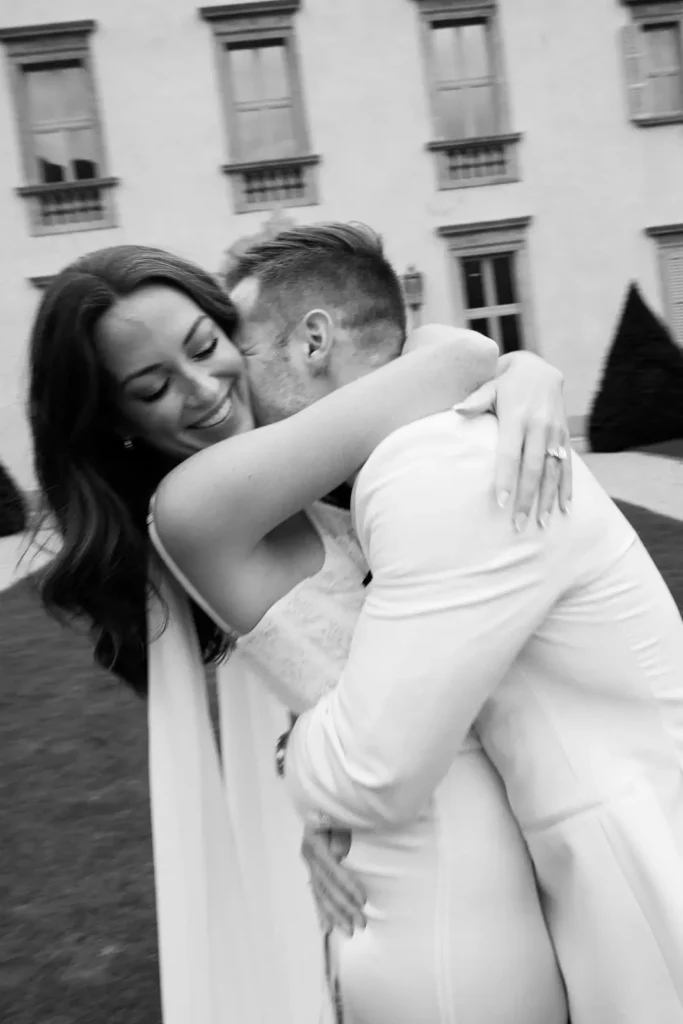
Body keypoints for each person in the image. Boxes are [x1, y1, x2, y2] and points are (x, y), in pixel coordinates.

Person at [28, 234, 571, 1024]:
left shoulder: (310, 470)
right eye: (152, 387)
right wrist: (521, 370)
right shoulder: (194, 505)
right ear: (117, 425)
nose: (202, 388)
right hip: (440, 886)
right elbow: (450, 361)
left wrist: (523, 374)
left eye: (206, 345)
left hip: (486, 844)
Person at [153, 224, 683, 1024]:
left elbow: (377, 770)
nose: (229, 389)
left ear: (314, 340)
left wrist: (302, 765)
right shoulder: (430, 446)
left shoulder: (430, 467)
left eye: (240, 350)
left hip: (640, 879)